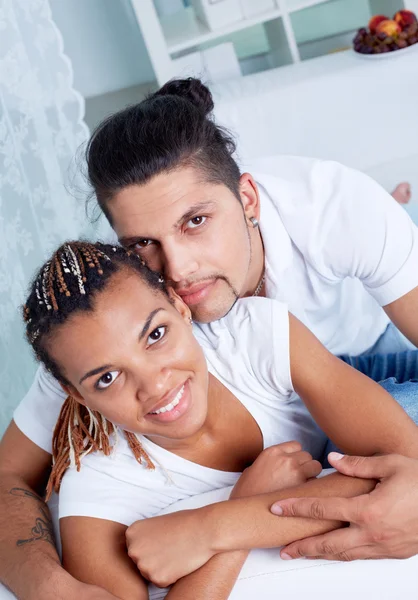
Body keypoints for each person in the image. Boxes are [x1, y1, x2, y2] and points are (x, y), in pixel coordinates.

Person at [1, 77, 418, 599]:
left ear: (247, 197)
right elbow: (9, 476)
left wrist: (216, 526)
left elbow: (402, 467)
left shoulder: (333, 214)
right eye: (144, 244)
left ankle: (403, 203)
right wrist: (50, 589)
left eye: (195, 221)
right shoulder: (115, 317)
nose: (178, 269)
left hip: (374, 353)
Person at [20, 240, 418, 599]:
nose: (155, 385)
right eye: (107, 378)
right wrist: (239, 515)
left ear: (179, 307)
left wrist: (216, 526)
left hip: (360, 365)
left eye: (156, 335)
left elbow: (409, 473)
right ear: (75, 393)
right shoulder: (98, 493)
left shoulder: (251, 333)